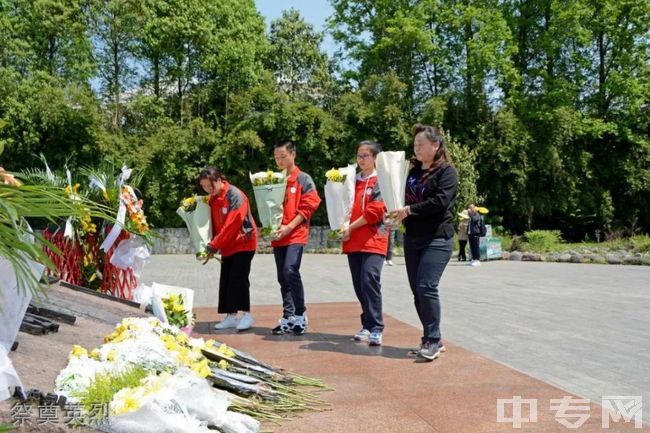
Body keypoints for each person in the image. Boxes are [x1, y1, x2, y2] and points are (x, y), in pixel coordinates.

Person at [389, 124, 457, 362]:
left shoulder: (447, 172)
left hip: (437, 238)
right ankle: (430, 337)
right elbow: (397, 196)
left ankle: (434, 339)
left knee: (427, 286)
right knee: (417, 292)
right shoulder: (412, 171)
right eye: (415, 144)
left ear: (435, 145)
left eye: (421, 144)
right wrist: (394, 214)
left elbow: (439, 202)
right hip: (413, 238)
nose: (416, 149)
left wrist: (408, 210)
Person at [339, 141, 388, 346]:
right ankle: (367, 324)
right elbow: (342, 206)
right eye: (359, 155)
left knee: (369, 279)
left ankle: (376, 327)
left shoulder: (381, 180)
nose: (361, 159)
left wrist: (350, 227)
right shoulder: (351, 180)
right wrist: (341, 226)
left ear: (376, 158)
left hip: (374, 239)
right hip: (353, 241)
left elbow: (375, 211)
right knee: (359, 285)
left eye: (366, 155)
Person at [271, 141, 321, 335]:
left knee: (290, 270)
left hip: (296, 233)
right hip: (279, 235)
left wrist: (290, 226)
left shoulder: (303, 179)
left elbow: (309, 205)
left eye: (283, 156)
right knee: (282, 277)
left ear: (293, 155)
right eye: (276, 158)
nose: (280, 161)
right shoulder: (274, 180)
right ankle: (288, 316)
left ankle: (300, 314)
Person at [199, 167, 258, 331]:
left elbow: (232, 224)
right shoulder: (212, 198)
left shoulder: (235, 195)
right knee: (226, 280)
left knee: (238, 279)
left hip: (244, 243)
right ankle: (231, 316)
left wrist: (213, 245)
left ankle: (247, 315)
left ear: (218, 180)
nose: (207, 190)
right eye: (204, 187)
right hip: (227, 245)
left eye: (210, 186)